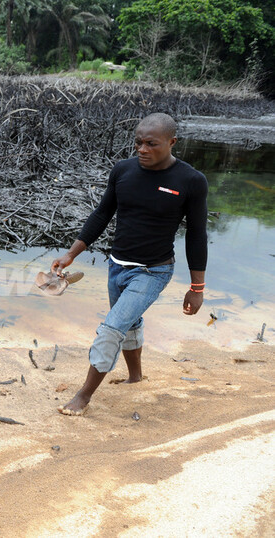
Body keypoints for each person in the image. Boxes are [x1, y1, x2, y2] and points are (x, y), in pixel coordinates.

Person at [52, 112, 208, 416]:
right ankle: (136, 376)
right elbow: (101, 214)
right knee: (129, 323)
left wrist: (197, 287)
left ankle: (83, 396)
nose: (142, 149)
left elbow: (197, 236)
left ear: (172, 142)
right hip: (116, 266)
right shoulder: (123, 170)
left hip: (153, 271)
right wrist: (72, 253)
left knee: (111, 329)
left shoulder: (190, 181)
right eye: (138, 143)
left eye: (152, 144)